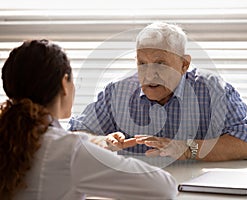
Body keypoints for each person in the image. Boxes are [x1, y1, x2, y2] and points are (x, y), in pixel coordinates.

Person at [0, 39, 177, 200]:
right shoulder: (68, 151)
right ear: (64, 83)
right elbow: (164, 187)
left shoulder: (13, 138)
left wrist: (99, 144)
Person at [69, 22, 247, 162]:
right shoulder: (117, 92)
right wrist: (103, 142)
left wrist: (187, 148)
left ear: (184, 64)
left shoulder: (213, 90)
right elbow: (74, 134)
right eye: (142, 63)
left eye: (160, 64)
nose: (149, 74)